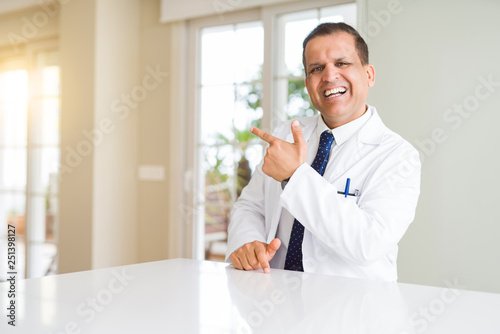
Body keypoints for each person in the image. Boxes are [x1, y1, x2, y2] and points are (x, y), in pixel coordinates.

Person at [225, 22, 421, 282]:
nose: (329, 76)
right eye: (317, 68)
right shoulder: (286, 134)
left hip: (353, 310)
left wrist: (295, 176)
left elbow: (369, 243)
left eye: (342, 63)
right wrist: (248, 242)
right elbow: (251, 206)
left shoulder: (398, 156)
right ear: (308, 84)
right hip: (276, 300)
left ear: (369, 75)